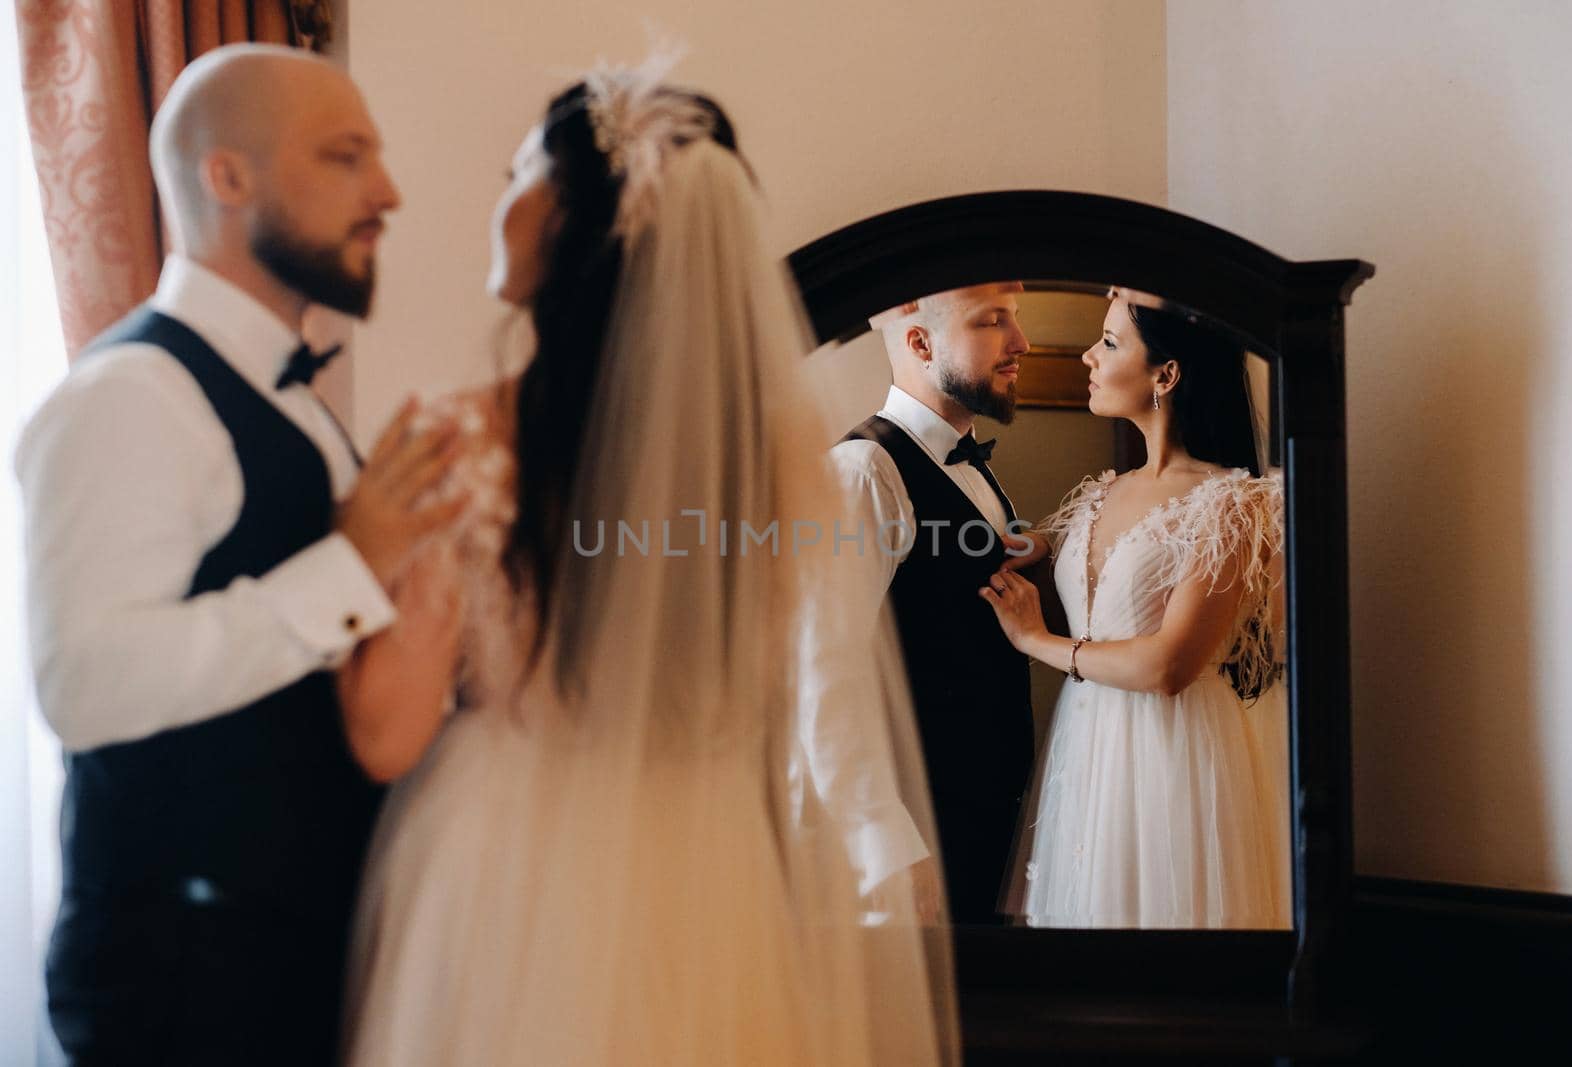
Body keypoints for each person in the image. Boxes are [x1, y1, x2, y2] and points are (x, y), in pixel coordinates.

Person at [341, 58, 957, 1065]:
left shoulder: (463, 441)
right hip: (709, 864)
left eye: (513, 177)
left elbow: (384, 732)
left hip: (513, 864)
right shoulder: (770, 470)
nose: (497, 203)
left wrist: (356, 546)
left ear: (565, 217)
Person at [14, 45, 464, 1065]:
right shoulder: (129, 398)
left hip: (296, 960)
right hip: (185, 988)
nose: (387, 191)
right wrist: (351, 566)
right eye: (348, 155)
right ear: (227, 178)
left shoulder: (293, 402)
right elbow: (82, 683)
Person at [981, 287, 1288, 929]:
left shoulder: (1231, 503)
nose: (1088, 356)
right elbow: (1040, 551)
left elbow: (1169, 666)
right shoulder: (1100, 493)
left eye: (1111, 342)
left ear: (1167, 374)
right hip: (1087, 743)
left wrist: (1035, 641)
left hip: (1171, 749)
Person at [831, 284, 1036, 924]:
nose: (1021, 343)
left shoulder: (965, 464)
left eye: (1016, 320)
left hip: (981, 818)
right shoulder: (866, 470)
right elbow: (822, 676)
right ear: (920, 342)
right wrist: (887, 847)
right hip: (916, 834)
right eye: (993, 321)